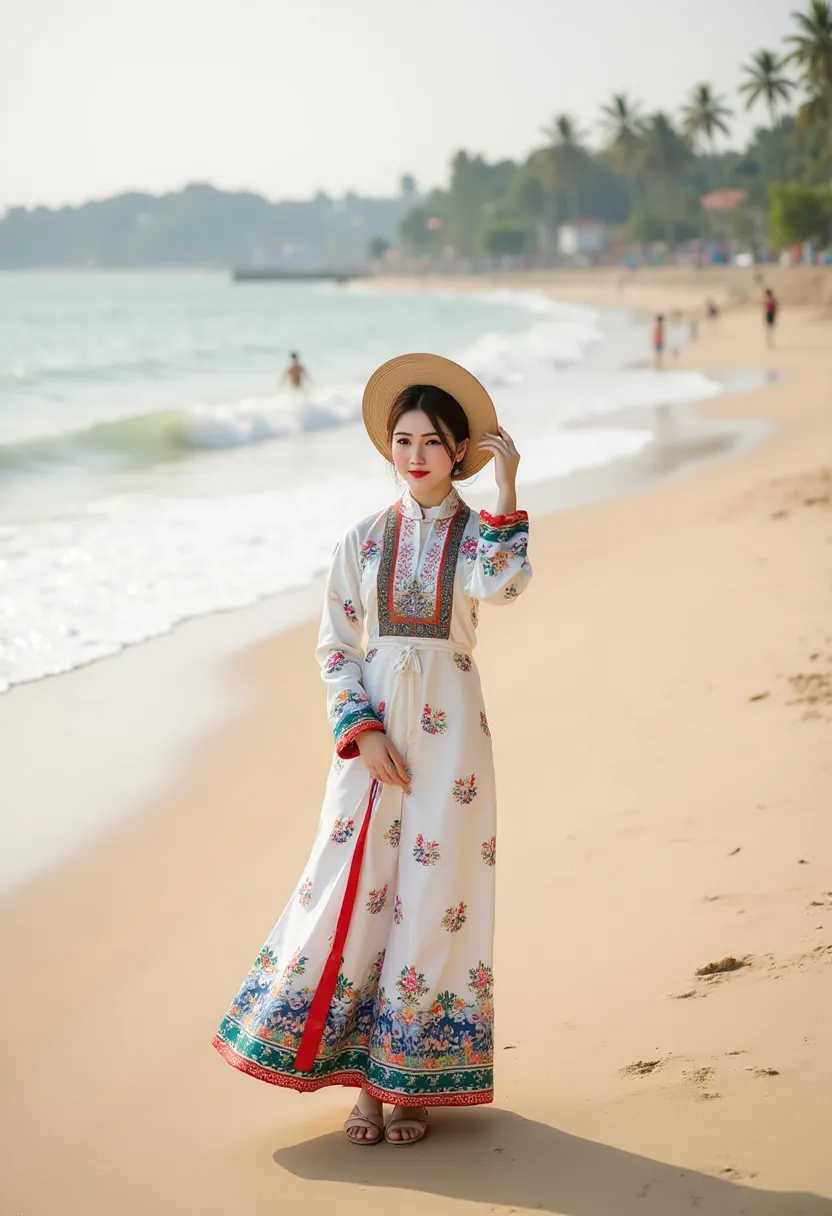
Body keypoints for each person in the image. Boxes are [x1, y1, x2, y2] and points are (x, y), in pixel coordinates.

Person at [212, 353, 531, 1147]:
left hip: (453, 738)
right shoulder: (361, 539)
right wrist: (364, 731)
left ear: (459, 449)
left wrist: (508, 491)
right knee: (353, 891)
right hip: (376, 739)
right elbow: (334, 645)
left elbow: (505, 587)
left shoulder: (474, 534)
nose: (415, 453)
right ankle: (361, 1084)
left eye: (431, 440)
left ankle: (409, 1082)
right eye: (403, 438)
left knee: (434, 896)